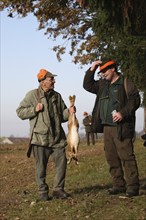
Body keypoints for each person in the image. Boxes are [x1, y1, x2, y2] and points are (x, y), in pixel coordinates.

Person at [83, 59, 140, 197]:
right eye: (100, 71)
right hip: (106, 127)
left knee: (126, 156)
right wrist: (92, 69)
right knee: (111, 157)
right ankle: (118, 184)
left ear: (113, 69)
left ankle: (133, 186)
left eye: (104, 71)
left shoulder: (125, 83)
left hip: (121, 127)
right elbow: (87, 85)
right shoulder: (103, 84)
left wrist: (123, 113)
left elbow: (135, 101)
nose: (102, 74)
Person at [16, 69, 75, 201]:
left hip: (57, 138)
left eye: (53, 79)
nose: (54, 81)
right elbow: (19, 112)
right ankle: (42, 191)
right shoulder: (32, 95)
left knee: (62, 164)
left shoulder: (57, 96)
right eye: (51, 79)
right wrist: (34, 109)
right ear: (42, 81)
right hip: (40, 139)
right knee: (41, 167)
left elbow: (63, 116)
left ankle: (58, 189)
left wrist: (69, 111)